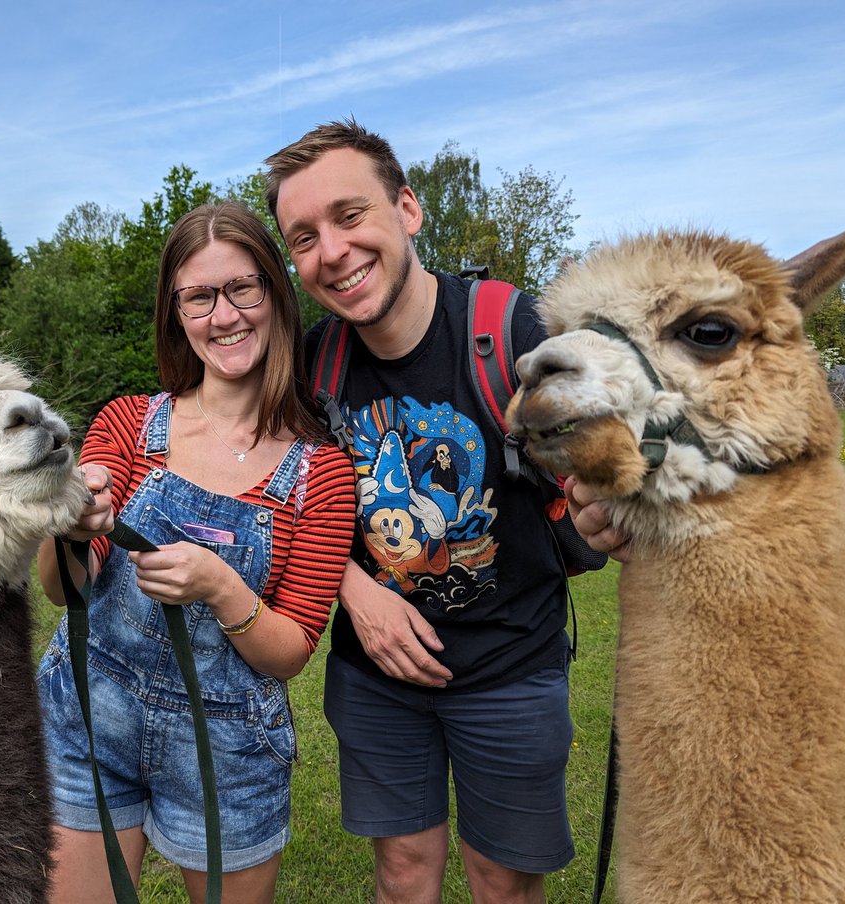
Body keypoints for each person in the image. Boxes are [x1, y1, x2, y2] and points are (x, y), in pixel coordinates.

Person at [263, 120, 606, 904]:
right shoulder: (314, 365)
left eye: (351, 216)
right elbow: (284, 507)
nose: (332, 251)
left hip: (511, 668)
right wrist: (355, 593)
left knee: (503, 885)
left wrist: (606, 509)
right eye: (304, 237)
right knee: (403, 874)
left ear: (408, 210)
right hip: (378, 675)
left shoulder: (512, 332)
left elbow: (602, 475)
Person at [35, 201, 357, 904]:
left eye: (244, 288)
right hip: (89, 721)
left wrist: (222, 585)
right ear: (176, 312)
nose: (225, 315)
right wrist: (70, 527)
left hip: (228, 750)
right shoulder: (126, 424)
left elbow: (292, 649)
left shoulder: (322, 473)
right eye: (201, 297)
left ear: (275, 295)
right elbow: (66, 591)